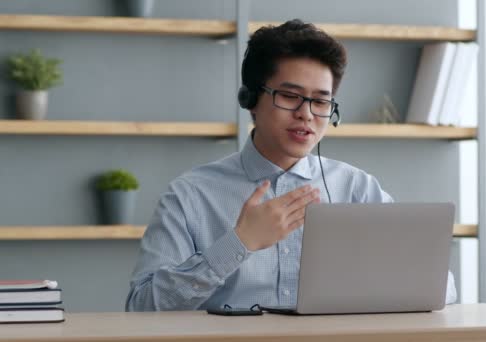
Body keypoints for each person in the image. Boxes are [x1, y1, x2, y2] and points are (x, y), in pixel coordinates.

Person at [126, 19, 457, 311]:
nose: (307, 114)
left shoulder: (357, 189)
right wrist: (239, 244)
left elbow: (443, 287)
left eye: (321, 100)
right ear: (251, 100)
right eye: (290, 96)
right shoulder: (190, 195)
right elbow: (141, 308)